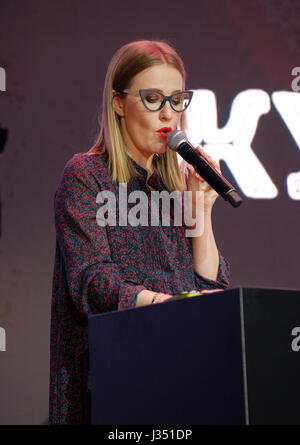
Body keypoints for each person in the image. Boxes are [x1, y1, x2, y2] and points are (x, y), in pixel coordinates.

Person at [49, 40, 230, 425]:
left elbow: (211, 289)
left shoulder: (177, 183)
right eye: (152, 99)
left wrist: (202, 212)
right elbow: (92, 283)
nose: (169, 114)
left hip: (182, 369)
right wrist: (168, 304)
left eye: (177, 100)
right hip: (118, 373)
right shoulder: (87, 175)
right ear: (118, 103)